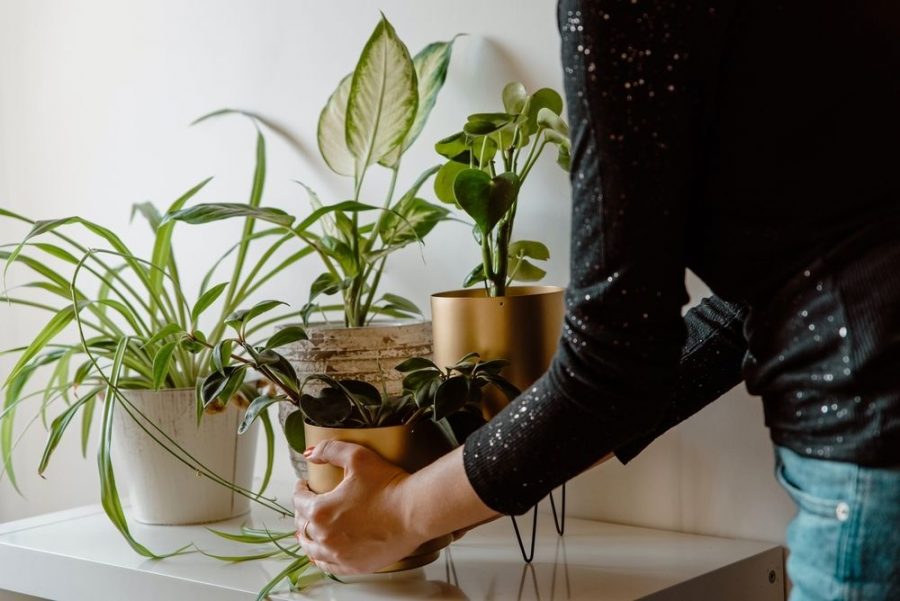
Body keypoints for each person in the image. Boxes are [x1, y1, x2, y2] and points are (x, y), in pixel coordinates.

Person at [293, 1, 900, 598]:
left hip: (874, 457)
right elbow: (743, 310)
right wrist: (444, 491)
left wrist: (400, 515)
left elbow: (614, 366)